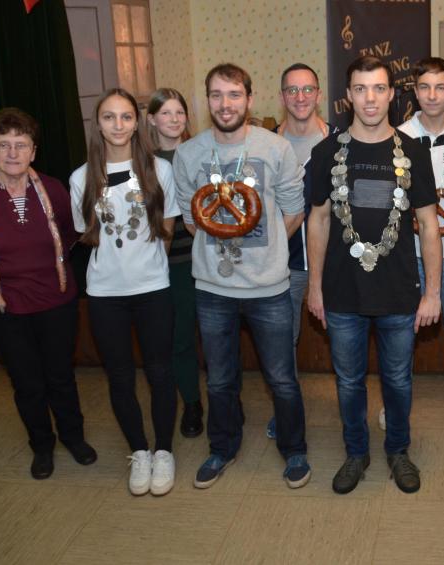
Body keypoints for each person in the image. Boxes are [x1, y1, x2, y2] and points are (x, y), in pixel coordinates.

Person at [307, 55, 441, 495]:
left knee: (398, 380)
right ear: (348, 95)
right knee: (348, 382)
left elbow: (429, 226)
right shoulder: (326, 152)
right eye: (361, 89)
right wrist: (314, 288)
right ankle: (356, 452)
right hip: (342, 293)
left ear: (391, 94)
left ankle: (398, 450)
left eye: (379, 88)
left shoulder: (414, 152)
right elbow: (318, 220)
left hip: (398, 294)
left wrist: (433, 293)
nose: (370, 98)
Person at [173, 63, 310, 490]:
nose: (225, 104)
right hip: (213, 287)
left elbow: (294, 211)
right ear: (207, 101)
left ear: (250, 100)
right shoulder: (188, 154)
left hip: (269, 287)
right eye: (216, 95)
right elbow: (191, 219)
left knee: (282, 378)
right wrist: (228, 243)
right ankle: (222, 447)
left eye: (234, 94)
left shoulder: (276, 148)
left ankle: (294, 449)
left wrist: (267, 249)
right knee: (219, 379)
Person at [0, 108, 96, 480]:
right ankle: (42, 446)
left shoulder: (54, 189)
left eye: (21, 144)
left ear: (34, 151)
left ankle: (74, 438)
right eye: (3, 145)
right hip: (3, 310)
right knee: (27, 383)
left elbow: (70, 235)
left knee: (61, 377)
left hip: (56, 302)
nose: (12, 153)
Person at [70, 88, 179, 496]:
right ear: (97, 125)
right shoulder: (81, 178)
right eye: (109, 117)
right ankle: (139, 451)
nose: (118, 125)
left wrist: (145, 265)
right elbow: (86, 234)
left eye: (126, 117)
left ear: (137, 123)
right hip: (104, 294)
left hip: (153, 288)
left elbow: (166, 231)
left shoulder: (159, 170)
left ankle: (164, 451)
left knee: (160, 372)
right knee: (119, 377)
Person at [396, 56, 444, 426]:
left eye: (440, 87)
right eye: (425, 87)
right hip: (408, 252)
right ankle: (398, 394)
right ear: (415, 91)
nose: (432, 95)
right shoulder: (397, 136)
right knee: (402, 328)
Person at [265, 63, 340, 441]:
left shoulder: (341, 142)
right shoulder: (265, 146)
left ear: (319, 94)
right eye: (292, 90)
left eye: (307, 89)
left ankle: (350, 411)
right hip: (286, 262)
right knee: (284, 342)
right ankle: (286, 412)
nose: (300, 97)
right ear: (282, 97)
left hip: (337, 263)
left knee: (345, 339)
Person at [146, 87, 203, 439]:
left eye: (179, 112)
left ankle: (229, 401)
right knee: (180, 338)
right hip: (171, 262)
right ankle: (192, 403)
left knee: (217, 337)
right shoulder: (144, 162)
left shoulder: (201, 153)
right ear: (152, 119)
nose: (174, 119)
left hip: (207, 258)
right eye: (165, 113)